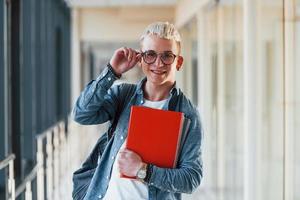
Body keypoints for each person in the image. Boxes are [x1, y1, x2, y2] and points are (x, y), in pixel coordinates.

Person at [72, 21, 203, 200]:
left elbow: (191, 178)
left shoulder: (188, 114)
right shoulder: (123, 95)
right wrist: (111, 72)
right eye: (150, 54)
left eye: (167, 56)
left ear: (178, 62)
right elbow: (82, 114)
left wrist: (143, 171)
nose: (158, 63)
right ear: (141, 60)